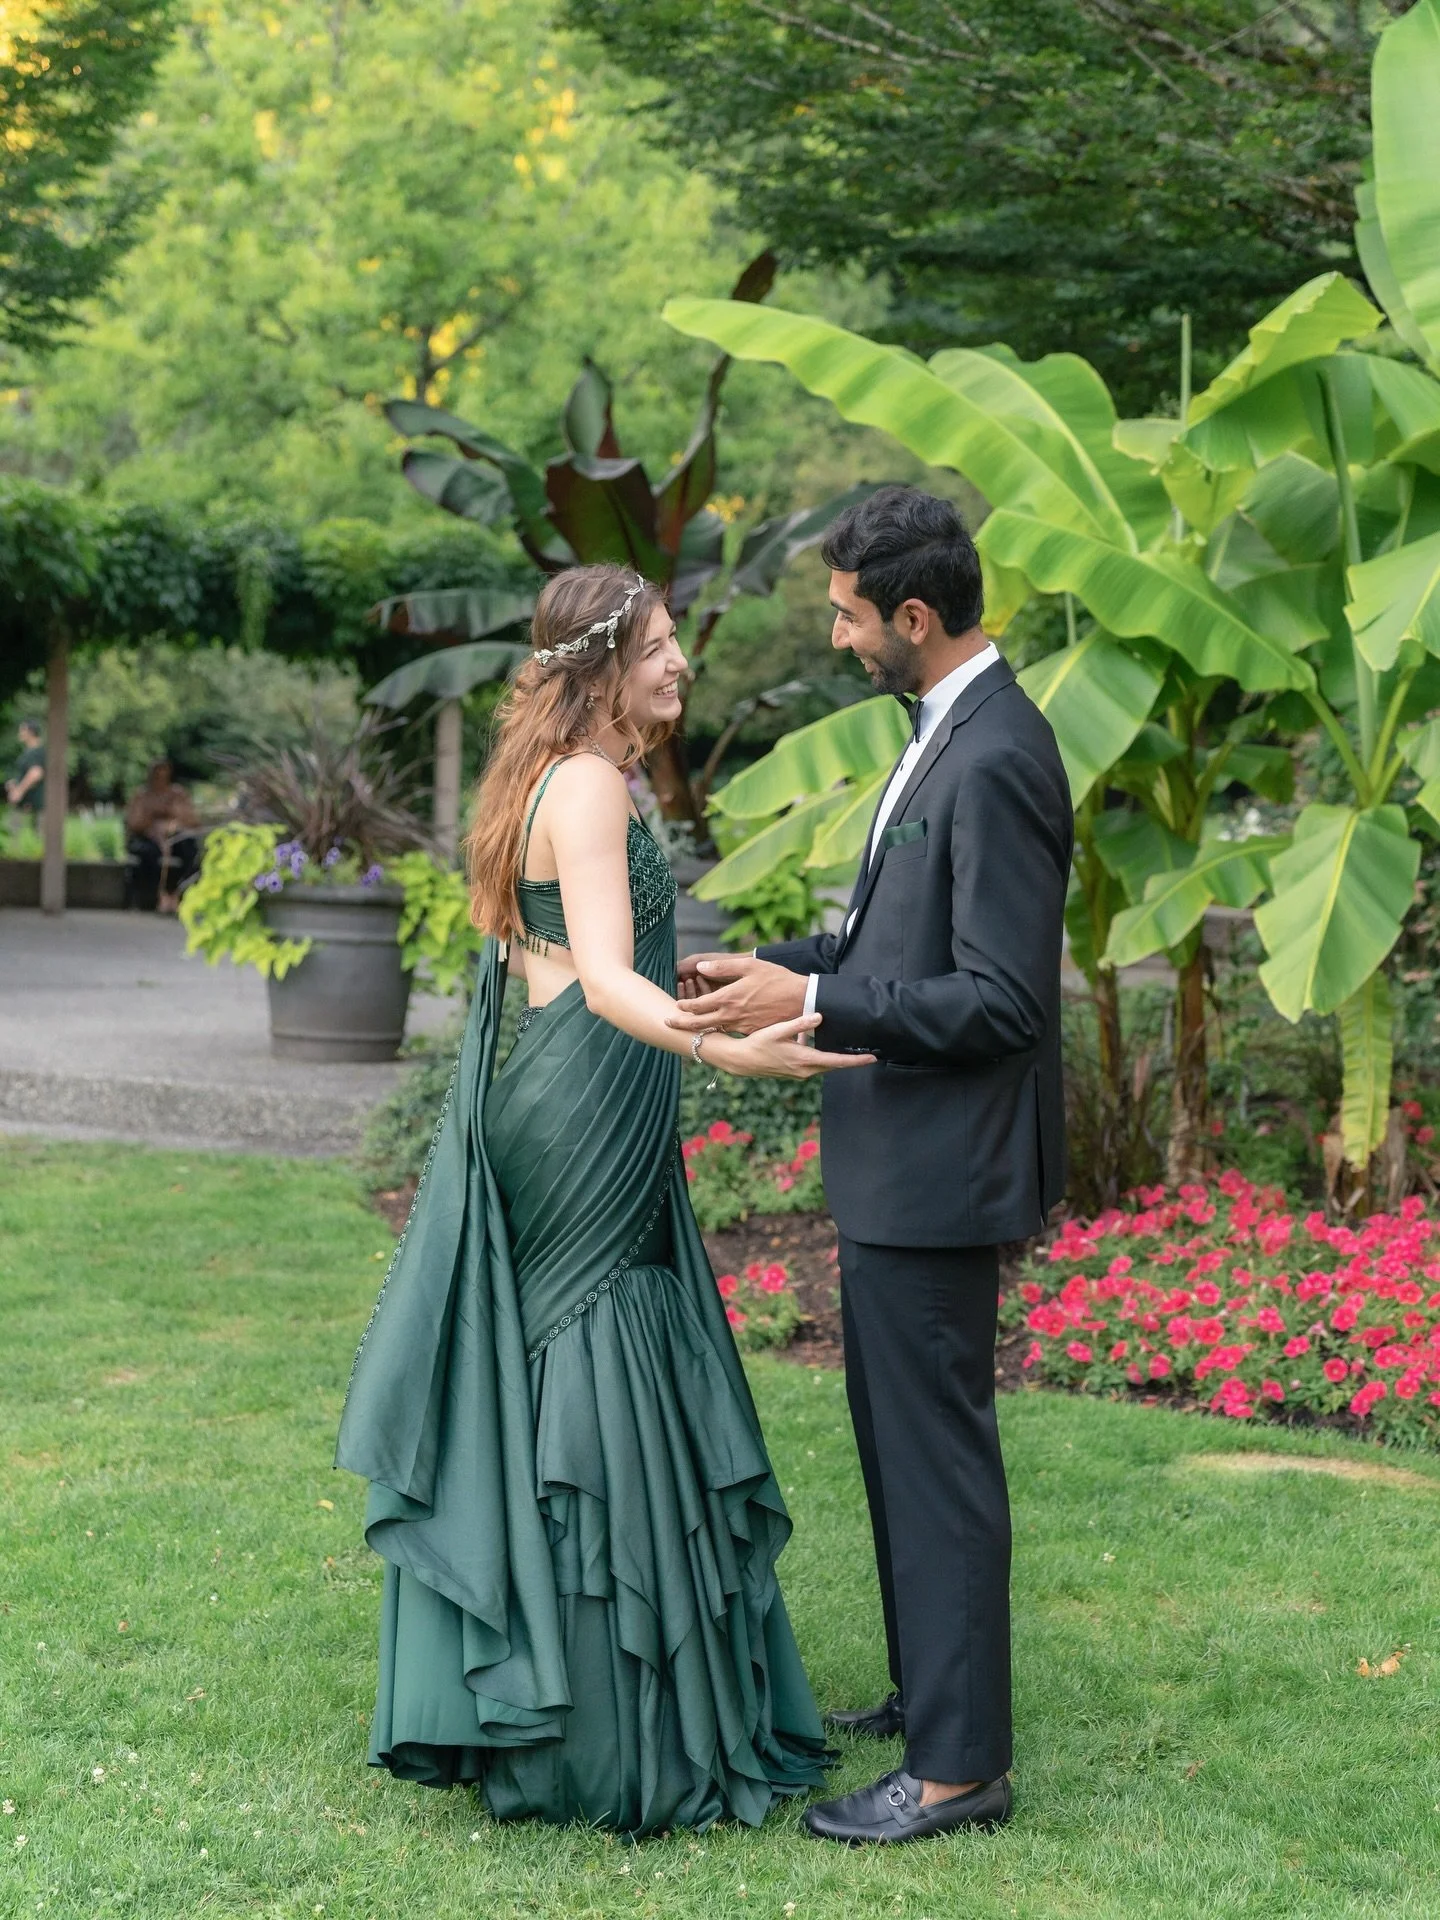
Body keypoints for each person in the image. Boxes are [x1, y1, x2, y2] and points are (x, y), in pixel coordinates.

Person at [336, 564, 872, 1835]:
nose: (681, 662)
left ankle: (576, 1694)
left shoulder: (550, 772)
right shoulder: (583, 782)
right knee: (594, 1346)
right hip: (584, 1093)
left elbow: (571, 954)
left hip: (573, 1083)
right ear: (601, 665)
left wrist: (677, 993)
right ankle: (609, 1734)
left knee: (578, 1352)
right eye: (660, 644)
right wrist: (724, 1049)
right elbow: (605, 983)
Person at [670, 486, 1072, 1844]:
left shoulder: (999, 753)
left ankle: (958, 1771)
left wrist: (814, 1007)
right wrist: (775, 968)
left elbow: (1001, 1001)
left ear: (913, 615)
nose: (838, 639)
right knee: (897, 1453)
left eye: (849, 618)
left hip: (942, 1171)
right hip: (898, 1164)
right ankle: (928, 1697)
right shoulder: (939, 732)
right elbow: (890, 947)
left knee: (936, 1461)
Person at [125, 761, 201, 912]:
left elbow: (192, 821)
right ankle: (154, 897)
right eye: (157, 776)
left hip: (174, 836)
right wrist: (152, 817)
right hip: (147, 838)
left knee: (189, 849)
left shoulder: (178, 794)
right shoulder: (142, 795)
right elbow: (134, 823)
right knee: (149, 853)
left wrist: (172, 816)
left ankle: (178, 893)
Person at [6, 719, 44, 823]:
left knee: (39, 831)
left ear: (31, 732)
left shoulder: (37, 751)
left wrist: (19, 791)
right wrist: (14, 783)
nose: (20, 733)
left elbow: (36, 773)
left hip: (37, 802)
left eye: (22, 730)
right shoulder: (28, 751)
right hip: (24, 801)